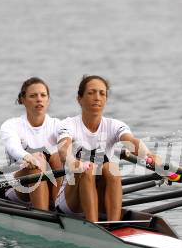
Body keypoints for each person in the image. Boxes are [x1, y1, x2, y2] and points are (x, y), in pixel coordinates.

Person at [56, 75, 158, 222]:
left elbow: (131, 142)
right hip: (71, 202)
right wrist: (73, 162)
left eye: (102, 93)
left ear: (106, 99)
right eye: (91, 93)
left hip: (100, 197)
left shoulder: (114, 125)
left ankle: (113, 225)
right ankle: (93, 225)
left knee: (111, 168)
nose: (97, 98)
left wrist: (148, 155)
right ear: (79, 99)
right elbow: (63, 149)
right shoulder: (68, 124)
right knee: (88, 169)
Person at [0, 77, 62, 210]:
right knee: (37, 165)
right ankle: (43, 217)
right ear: (22, 100)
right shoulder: (11, 125)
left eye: (43, 95)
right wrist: (28, 157)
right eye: (33, 96)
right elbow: (13, 147)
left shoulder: (58, 125)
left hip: (52, 184)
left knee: (58, 157)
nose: (39, 99)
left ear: (48, 100)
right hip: (19, 187)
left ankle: (60, 210)